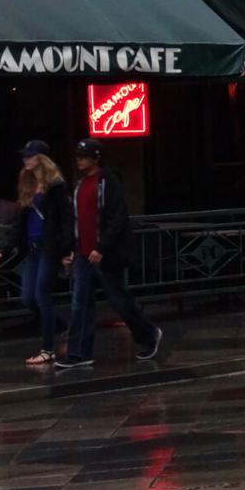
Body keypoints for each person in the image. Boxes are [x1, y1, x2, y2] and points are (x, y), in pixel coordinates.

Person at [58, 139, 162, 369]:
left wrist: (102, 247)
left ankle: (148, 334)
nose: (79, 160)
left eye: (83, 156)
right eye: (78, 156)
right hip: (83, 254)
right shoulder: (80, 183)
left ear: (96, 158)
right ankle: (78, 353)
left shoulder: (107, 181)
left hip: (104, 254)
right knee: (80, 304)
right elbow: (77, 220)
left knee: (119, 300)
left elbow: (116, 218)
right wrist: (72, 249)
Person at [0, 141, 72, 365]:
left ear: (42, 158)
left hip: (49, 248)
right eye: (24, 155)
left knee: (40, 296)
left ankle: (48, 348)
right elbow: (19, 224)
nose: (25, 159)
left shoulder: (56, 186)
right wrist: (2, 251)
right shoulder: (26, 183)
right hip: (33, 250)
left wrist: (67, 249)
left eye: (30, 155)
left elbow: (66, 219)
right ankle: (63, 326)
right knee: (28, 297)